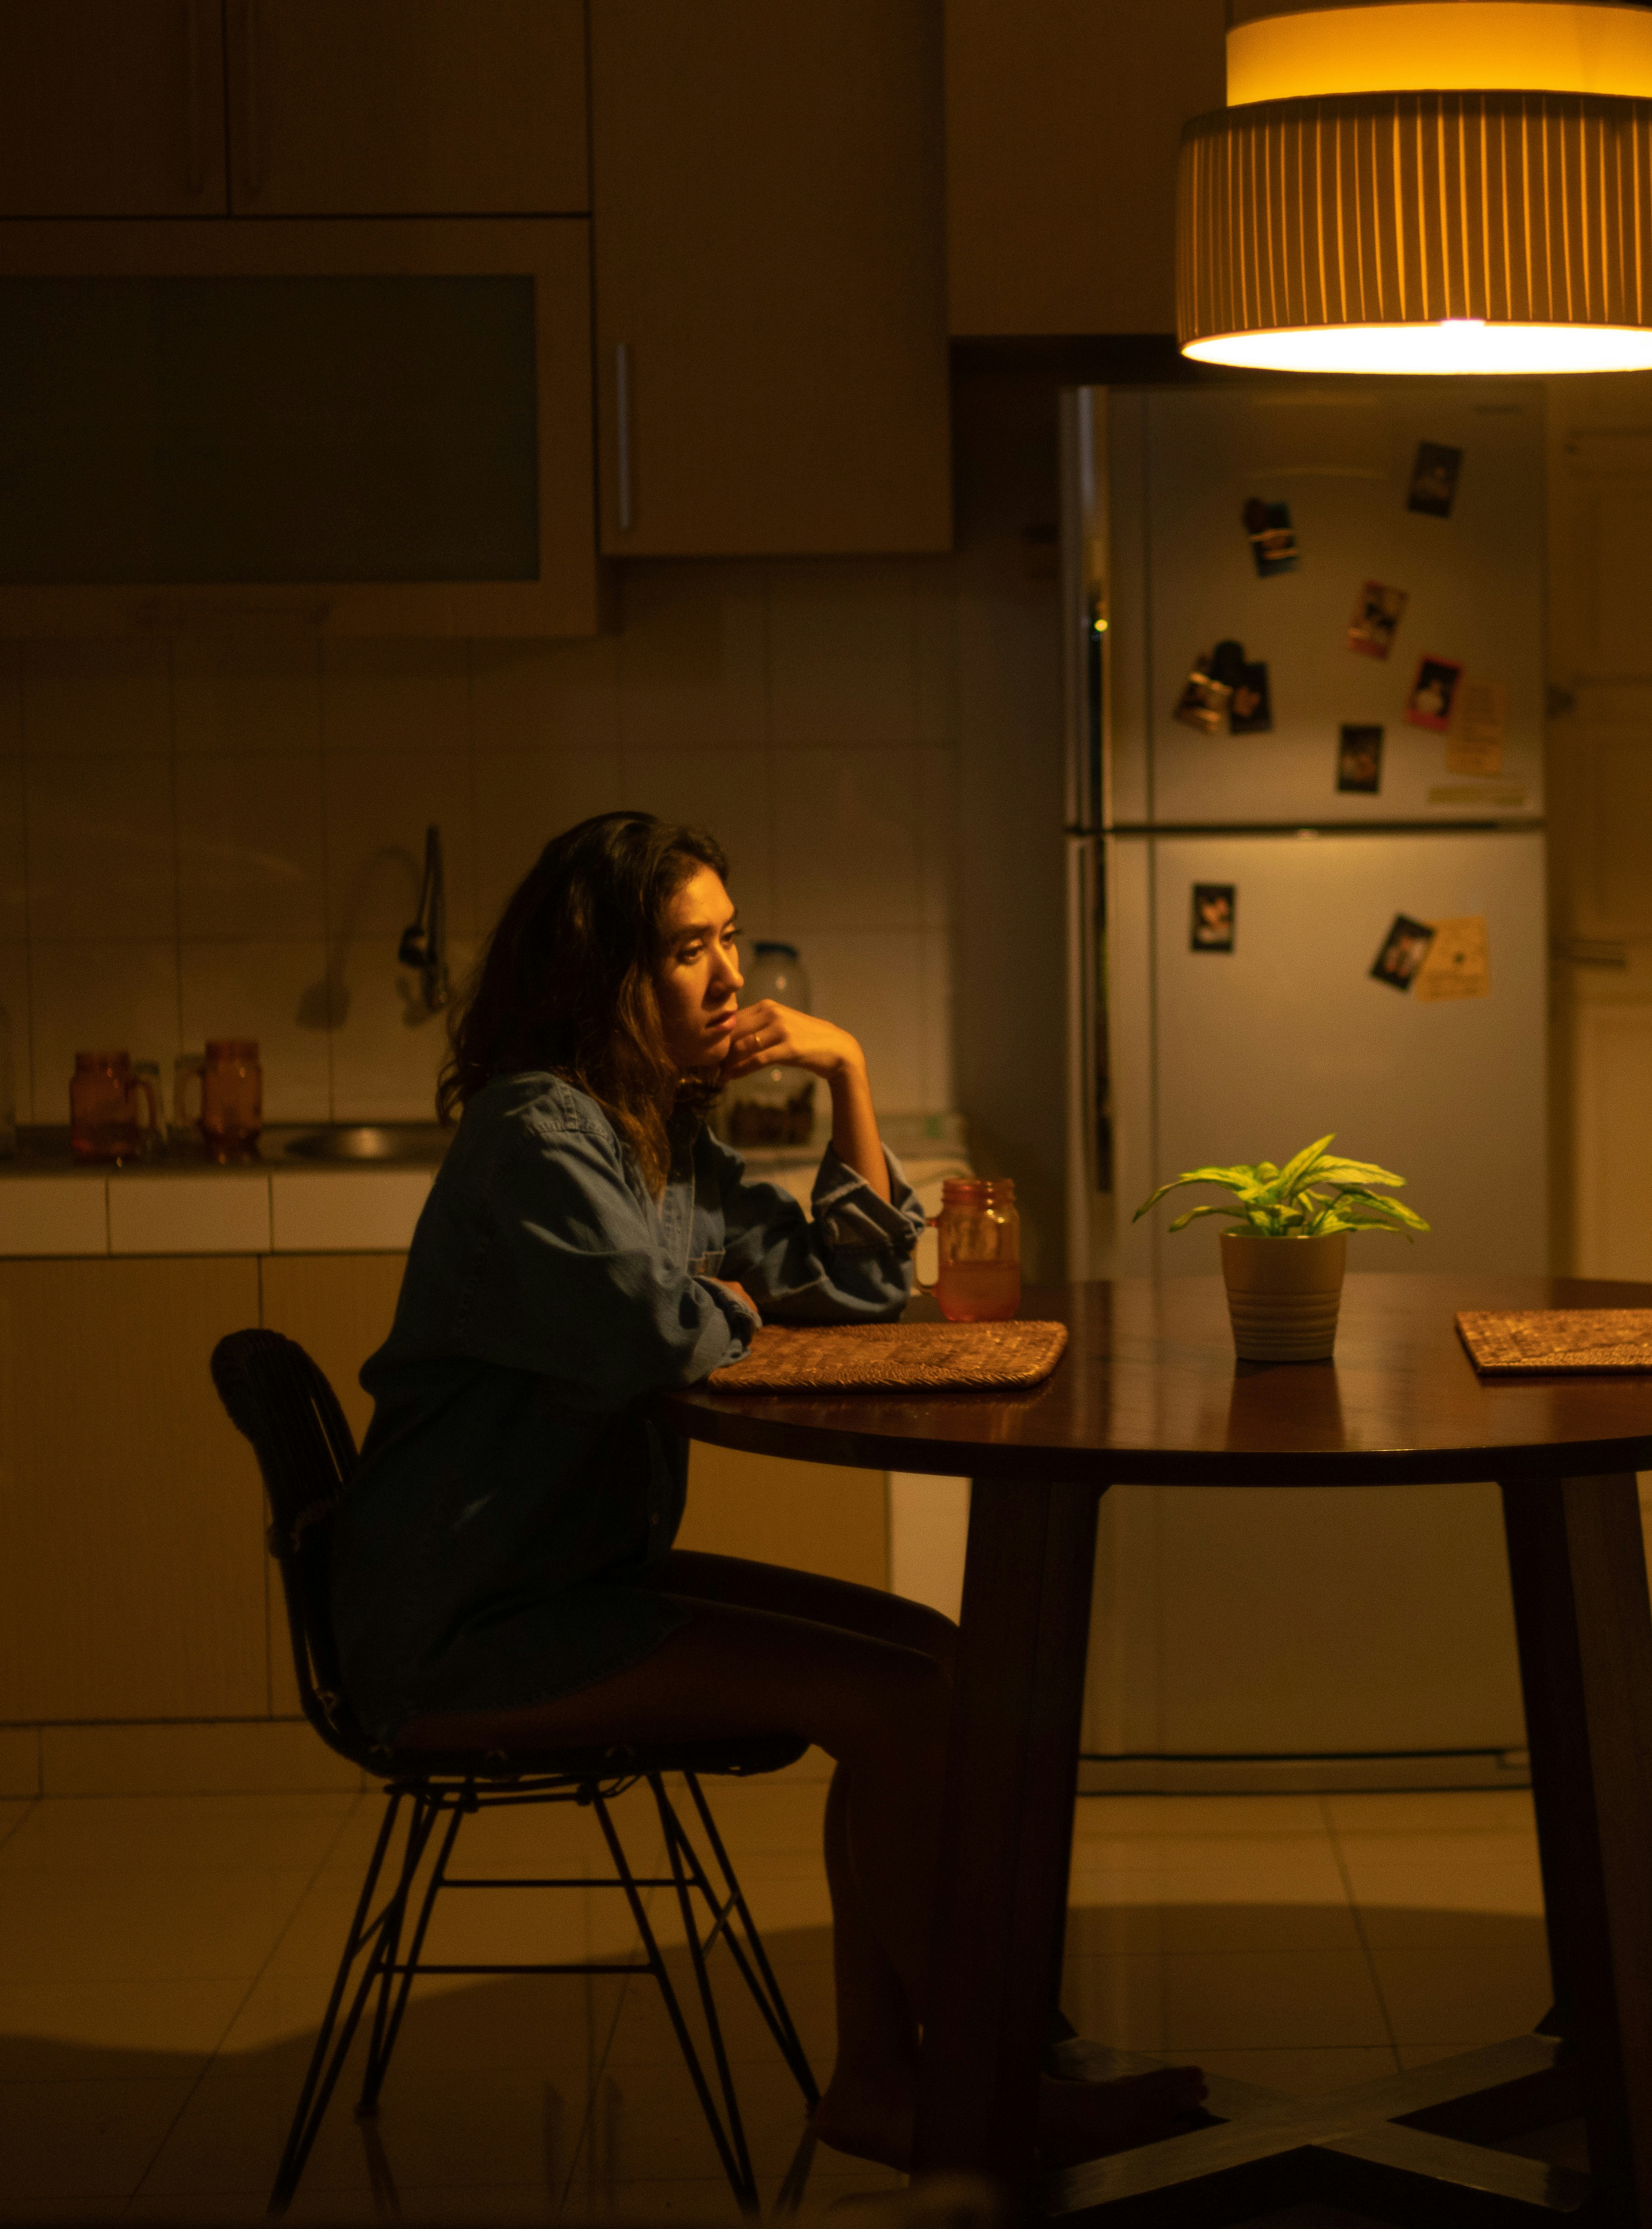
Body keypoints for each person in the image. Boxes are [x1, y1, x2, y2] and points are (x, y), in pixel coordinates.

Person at [332, 811, 1203, 2166]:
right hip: (468, 1619)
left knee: (937, 1662)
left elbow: (851, 1285)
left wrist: (847, 1070)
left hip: (569, 1579)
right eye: (689, 950)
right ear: (602, 975)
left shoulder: (659, 1137)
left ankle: (892, 2081)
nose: (730, 977)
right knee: (903, 1700)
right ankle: (988, 2089)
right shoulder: (538, 1134)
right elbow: (652, 1332)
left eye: (730, 939)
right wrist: (718, 1305)